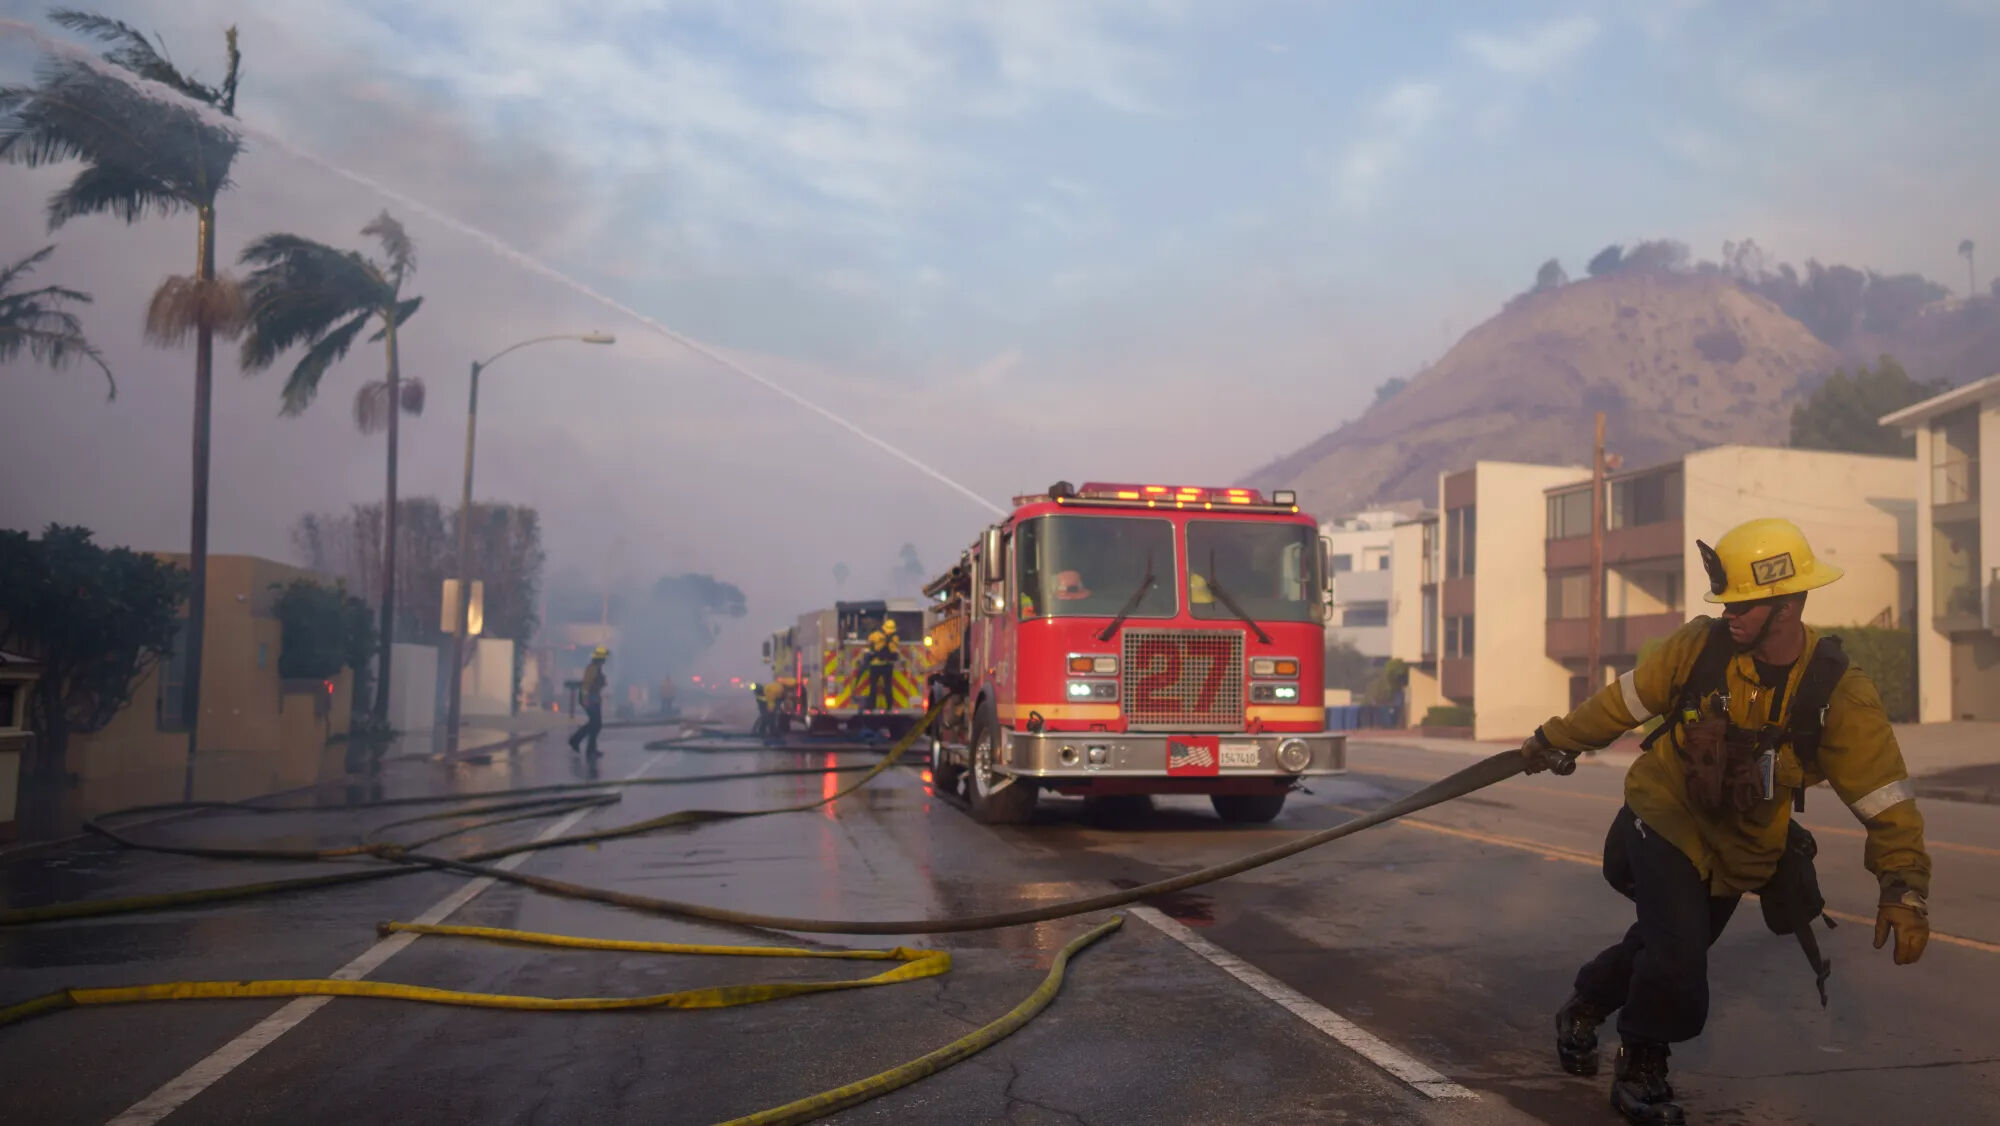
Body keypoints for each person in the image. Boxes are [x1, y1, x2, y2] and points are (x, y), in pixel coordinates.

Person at [1520, 518, 1932, 1126]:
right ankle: (1641, 1065)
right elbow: (1622, 703)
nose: (1729, 613)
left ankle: (1583, 1005)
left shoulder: (1836, 693)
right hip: (1663, 816)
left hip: (1740, 849)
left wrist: (1904, 887)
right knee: (1679, 952)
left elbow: (1883, 797)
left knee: (1663, 944)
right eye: (1728, 601)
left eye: (1744, 603)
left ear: (1789, 604)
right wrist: (1553, 740)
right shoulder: (1699, 648)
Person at [568, 647, 609, 757]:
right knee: (596, 724)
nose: (605, 660)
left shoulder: (597, 668)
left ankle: (585, 746)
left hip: (594, 698)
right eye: (604, 658)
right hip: (589, 698)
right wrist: (586, 699)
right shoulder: (592, 668)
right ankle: (580, 743)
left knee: (595, 724)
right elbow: (586, 684)